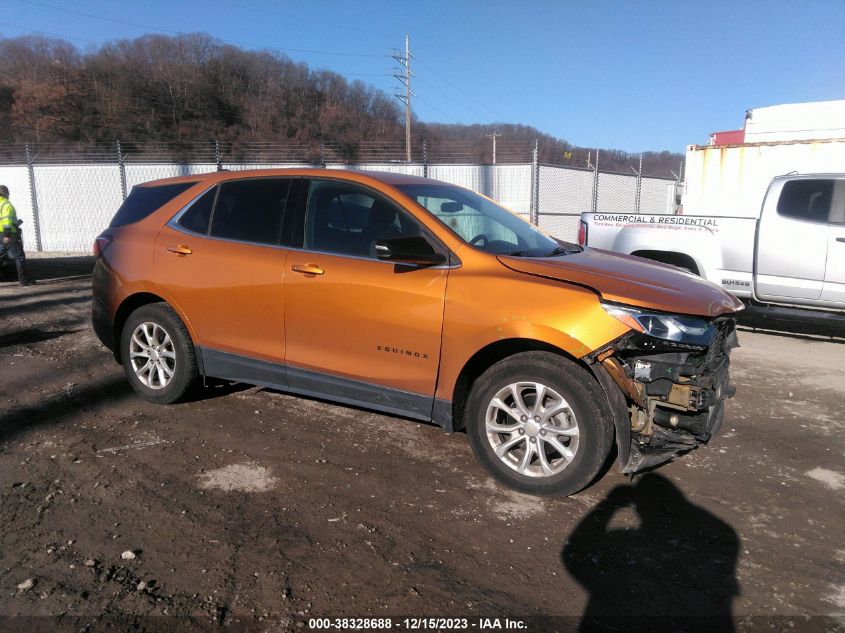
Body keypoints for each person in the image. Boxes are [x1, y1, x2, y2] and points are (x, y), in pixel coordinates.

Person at [0, 185, 32, 286]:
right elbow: (7, 221)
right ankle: (24, 280)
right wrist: (7, 234)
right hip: (9, 235)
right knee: (19, 257)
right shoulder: (6, 204)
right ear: (6, 193)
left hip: (1, 234)